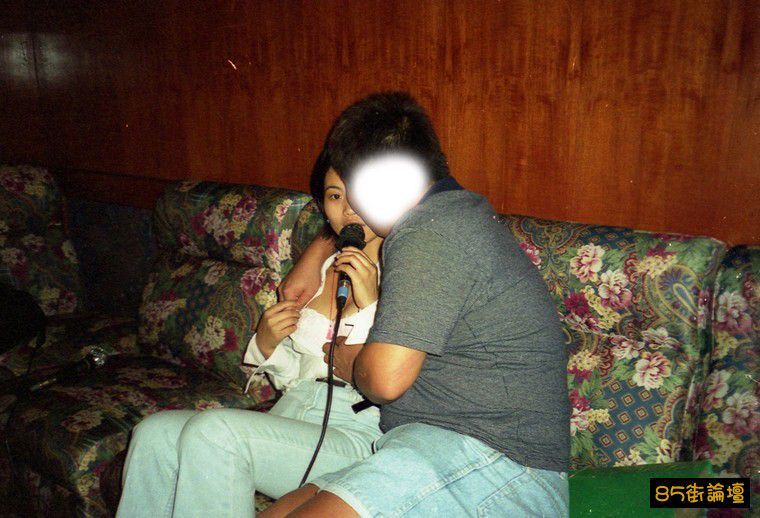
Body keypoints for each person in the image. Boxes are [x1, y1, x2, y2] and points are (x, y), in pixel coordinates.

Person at [266, 91, 570, 517]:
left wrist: (345, 358)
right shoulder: (449, 213)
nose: (352, 207)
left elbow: (384, 380)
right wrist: (318, 251)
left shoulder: (428, 234)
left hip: (498, 464)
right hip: (426, 447)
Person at [116, 152, 385, 517]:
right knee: (154, 432)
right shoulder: (319, 270)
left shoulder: (407, 271)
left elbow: (398, 377)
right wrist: (267, 342)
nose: (349, 208)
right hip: (292, 416)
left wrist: (371, 304)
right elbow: (296, 376)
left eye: (360, 192)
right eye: (335, 195)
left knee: (215, 432)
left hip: (356, 433)